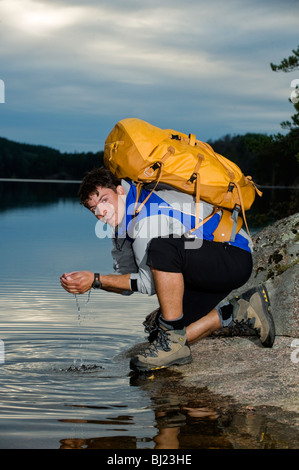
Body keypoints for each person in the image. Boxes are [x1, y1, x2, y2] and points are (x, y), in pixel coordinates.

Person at [60, 167, 275, 372]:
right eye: (93, 209)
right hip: (205, 268)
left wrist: (96, 279)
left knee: (162, 249)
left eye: (104, 200)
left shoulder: (146, 217)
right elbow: (127, 283)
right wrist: (90, 281)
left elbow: (148, 283)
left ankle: (173, 343)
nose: (101, 212)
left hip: (231, 258)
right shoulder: (124, 224)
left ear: (119, 190)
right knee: (158, 338)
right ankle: (238, 310)